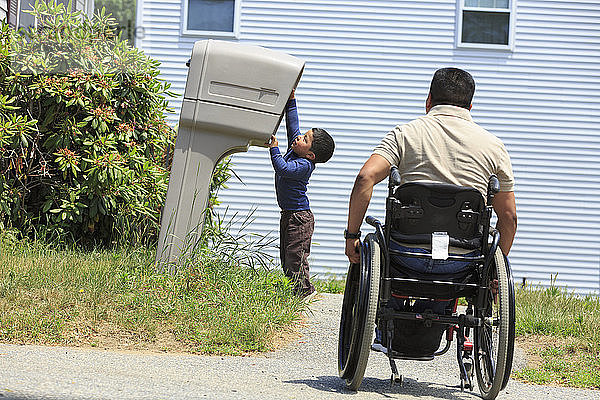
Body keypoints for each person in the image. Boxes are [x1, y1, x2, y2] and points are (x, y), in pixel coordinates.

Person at [345, 67, 517, 269]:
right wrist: (494, 269)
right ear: (470, 106)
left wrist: (352, 236)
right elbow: (509, 217)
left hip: (405, 253)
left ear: (429, 100)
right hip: (462, 260)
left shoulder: (404, 134)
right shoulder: (494, 146)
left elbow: (365, 177)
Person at [269, 90, 335, 298]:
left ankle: (305, 292)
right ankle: (293, 291)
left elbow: (283, 170)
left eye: (304, 139)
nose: (298, 137)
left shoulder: (304, 165)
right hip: (289, 214)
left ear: (310, 154)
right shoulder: (296, 148)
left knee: (296, 255)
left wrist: (274, 149)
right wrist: (291, 100)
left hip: (300, 218)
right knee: (286, 255)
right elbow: (292, 124)